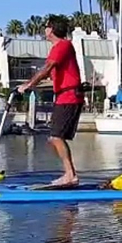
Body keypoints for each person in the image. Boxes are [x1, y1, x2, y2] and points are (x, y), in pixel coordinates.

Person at [18, 17, 84, 187]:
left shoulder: (63, 45)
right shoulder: (57, 49)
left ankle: (70, 175)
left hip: (70, 96)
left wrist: (29, 84)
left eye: (46, 27)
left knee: (56, 137)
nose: (44, 30)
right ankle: (70, 174)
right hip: (63, 96)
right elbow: (49, 75)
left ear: (52, 29)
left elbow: (46, 68)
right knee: (54, 137)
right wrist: (32, 86)